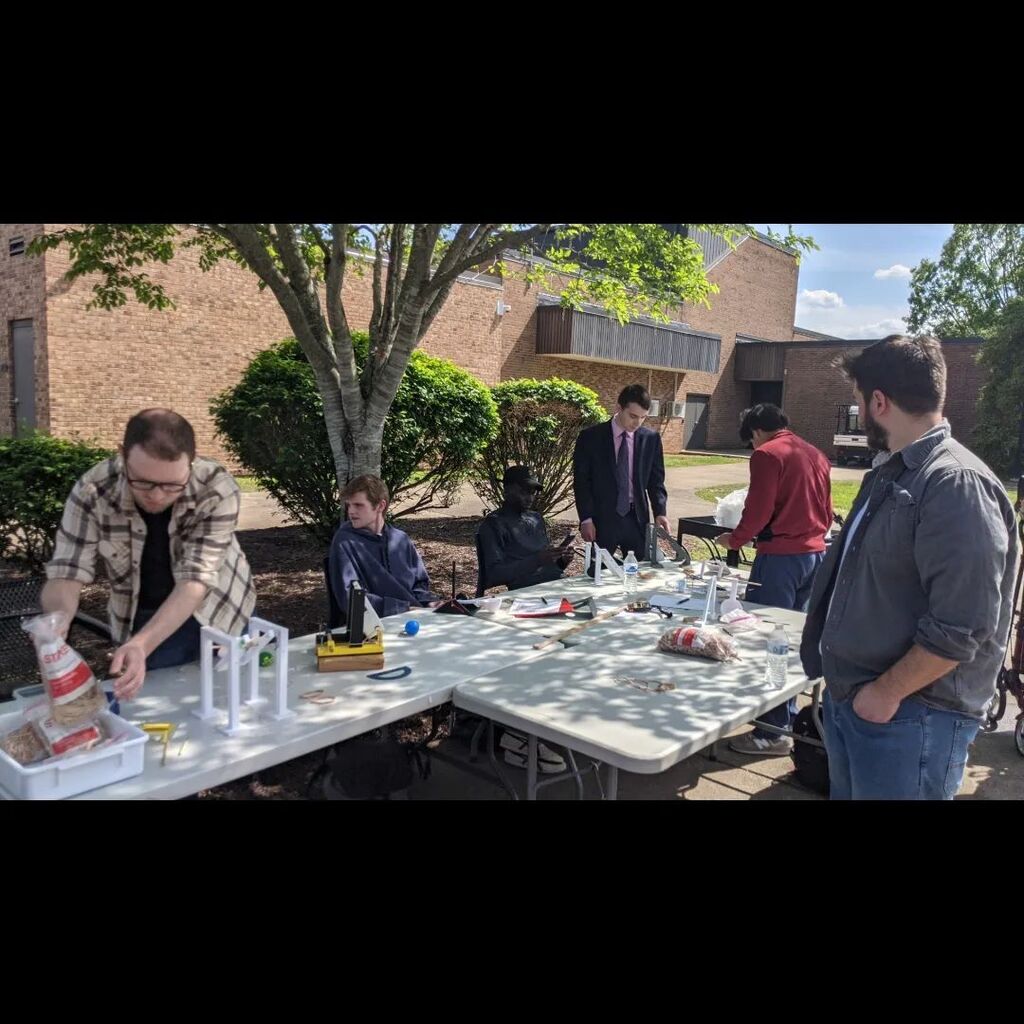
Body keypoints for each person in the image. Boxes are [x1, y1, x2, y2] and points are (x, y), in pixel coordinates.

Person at [800, 335, 1018, 799]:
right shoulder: (894, 472)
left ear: (878, 402)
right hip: (865, 707)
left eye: (858, 401)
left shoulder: (954, 483)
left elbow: (962, 624)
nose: (859, 412)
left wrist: (884, 694)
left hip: (911, 719)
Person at [43, 408, 256, 700]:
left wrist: (141, 645)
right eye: (143, 482)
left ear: (191, 462)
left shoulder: (216, 488)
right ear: (122, 455)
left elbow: (195, 580)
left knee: (233, 700)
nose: (157, 496)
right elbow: (66, 572)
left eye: (172, 485)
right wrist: (57, 623)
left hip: (221, 607)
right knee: (156, 704)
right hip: (141, 613)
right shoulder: (93, 490)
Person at [715, 403, 833, 756]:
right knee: (794, 640)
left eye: (750, 440)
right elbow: (827, 510)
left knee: (768, 639)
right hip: (815, 554)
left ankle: (771, 731)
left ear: (756, 432)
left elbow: (759, 508)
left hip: (781, 558)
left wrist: (735, 539)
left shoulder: (767, 454)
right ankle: (786, 716)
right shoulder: (814, 453)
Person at [573, 383, 669, 562]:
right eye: (633, 416)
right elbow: (581, 482)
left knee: (640, 572)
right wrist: (586, 518)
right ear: (618, 408)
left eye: (643, 417)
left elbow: (656, 481)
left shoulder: (651, 439)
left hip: (636, 519)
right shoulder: (591, 438)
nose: (637, 423)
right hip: (602, 519)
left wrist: (660, 511)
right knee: (599, 572)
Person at [328, 474, 438, 621]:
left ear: (380, 506)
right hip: (373, 626)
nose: (351, 511)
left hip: (416, 618)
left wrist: (429, 602)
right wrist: (404, 609)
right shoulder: (344, 541)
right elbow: (351, 598)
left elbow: (419, 584)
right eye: (349, 505)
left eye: (358, 505)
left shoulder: (401, 539)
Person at [476, 466, 573, 592]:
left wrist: (561, 560)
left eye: (533, 493)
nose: (530, 498)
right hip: (528, 593)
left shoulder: (536, 518)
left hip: (557, 584)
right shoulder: (495, 524)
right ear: (507, 491)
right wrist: (538, 560)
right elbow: (494, 575)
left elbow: (547, 568)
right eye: (524, 492)